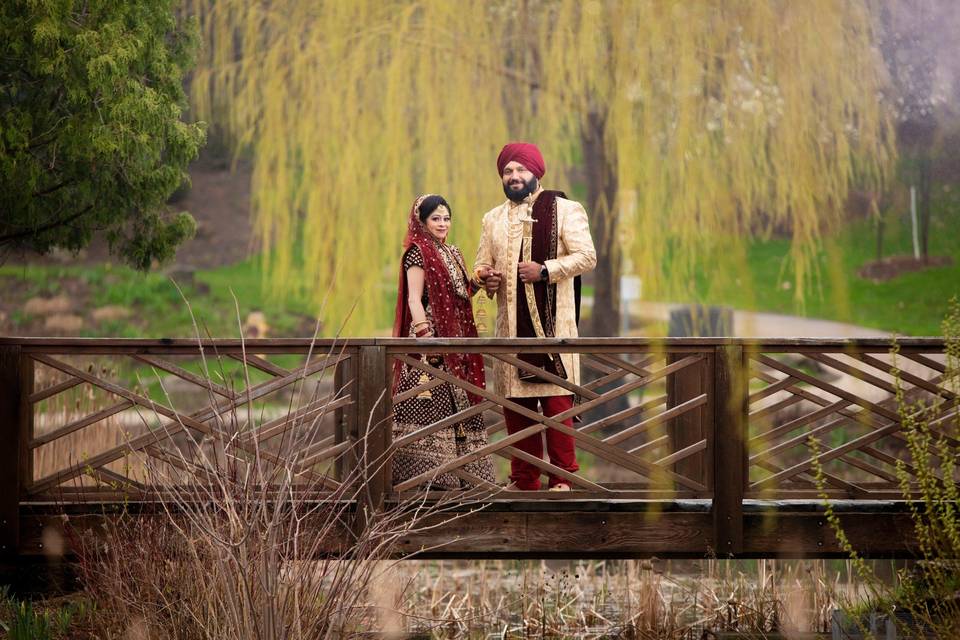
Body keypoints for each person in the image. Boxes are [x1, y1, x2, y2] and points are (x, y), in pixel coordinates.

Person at [473, 142, 597, 491]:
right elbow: (481, 266)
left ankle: (562, 477)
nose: (514, 177)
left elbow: (587, 257)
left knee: (557, 404)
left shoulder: (565, 209)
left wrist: (545, 270)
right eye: (508, 171)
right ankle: (524, 479)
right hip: (510, 331)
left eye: (520, 170)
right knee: (516, 407)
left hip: (552, 328)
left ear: (536, 172)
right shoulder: (492, 218)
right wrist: (485, 278)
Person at [390, 194, 496, 490]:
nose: (442, 223)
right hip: (431, 341)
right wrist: (427, 340)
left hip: (456, 339)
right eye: (435, 218)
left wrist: (479, 278)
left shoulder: (452, 252)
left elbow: (462, 292)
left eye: (446, 218)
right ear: (421, 221)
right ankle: (425, 478)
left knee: (457, 402)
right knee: (428, 400)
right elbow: (414, 298)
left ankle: (463, 475)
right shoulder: (418, 253)